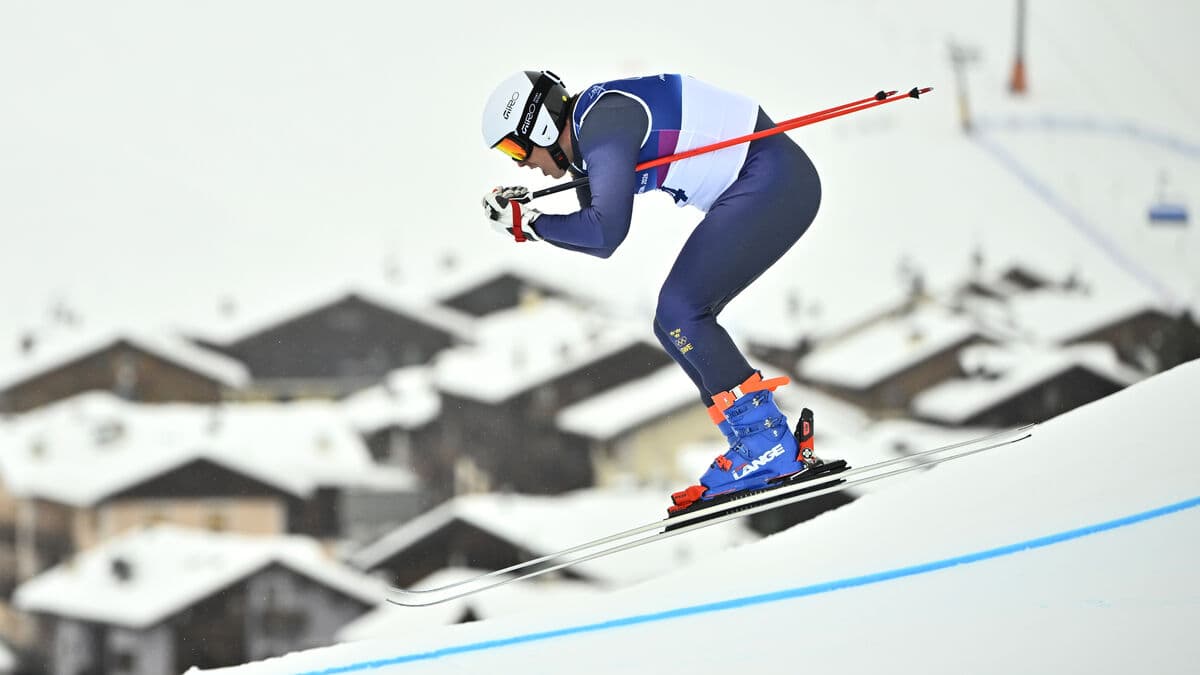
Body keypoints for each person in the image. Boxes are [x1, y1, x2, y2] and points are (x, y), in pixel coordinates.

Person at [480, 70, 827, 513]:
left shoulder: (603, 123)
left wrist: (530, 222)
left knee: (682, 312)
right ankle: (757, 443)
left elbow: (605, 232)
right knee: (672, 322)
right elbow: (596, 231)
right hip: (763, 181)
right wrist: (530, 222)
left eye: (515, 147)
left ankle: (769, 445)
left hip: (770, 179)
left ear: (542, 125)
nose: (520, 163)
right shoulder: (594, 134)